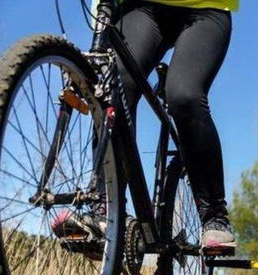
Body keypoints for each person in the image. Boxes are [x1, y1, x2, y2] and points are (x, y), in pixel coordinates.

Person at [53, 0, 237, 253]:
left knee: (184, 96)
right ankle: (106, 208)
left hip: (205, 9)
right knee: (115, 86)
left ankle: (214, 215)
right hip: (141, 7)